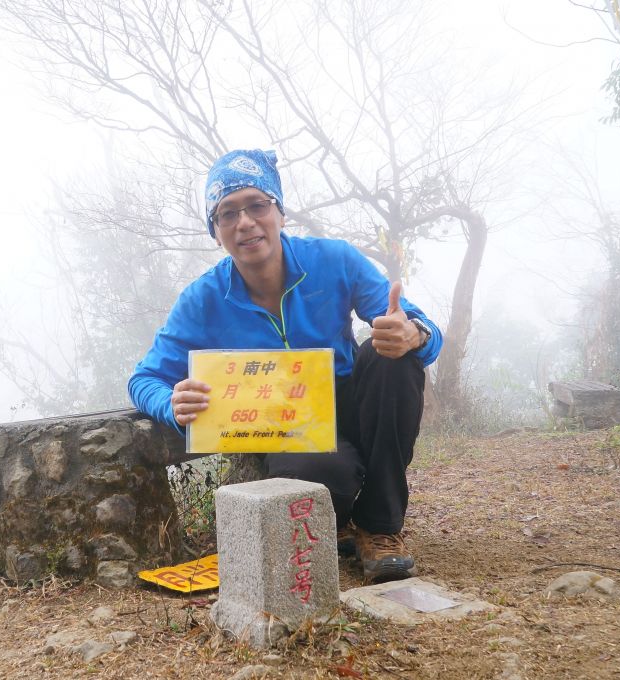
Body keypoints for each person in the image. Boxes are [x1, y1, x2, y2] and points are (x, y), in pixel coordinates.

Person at [128, 149, 442, 582]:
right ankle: (340, 519)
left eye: (257, 205)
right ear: (215, 231)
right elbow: (145, 378)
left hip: (351, 399)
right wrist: (171, 403)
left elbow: (418, 323)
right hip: (284, 423)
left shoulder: (333, 260)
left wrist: (415, 334)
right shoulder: (203, 299)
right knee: (322, 475)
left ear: (279, 212)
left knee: (392, 357)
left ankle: (380, 526)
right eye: (227, 213)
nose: (244, 222)